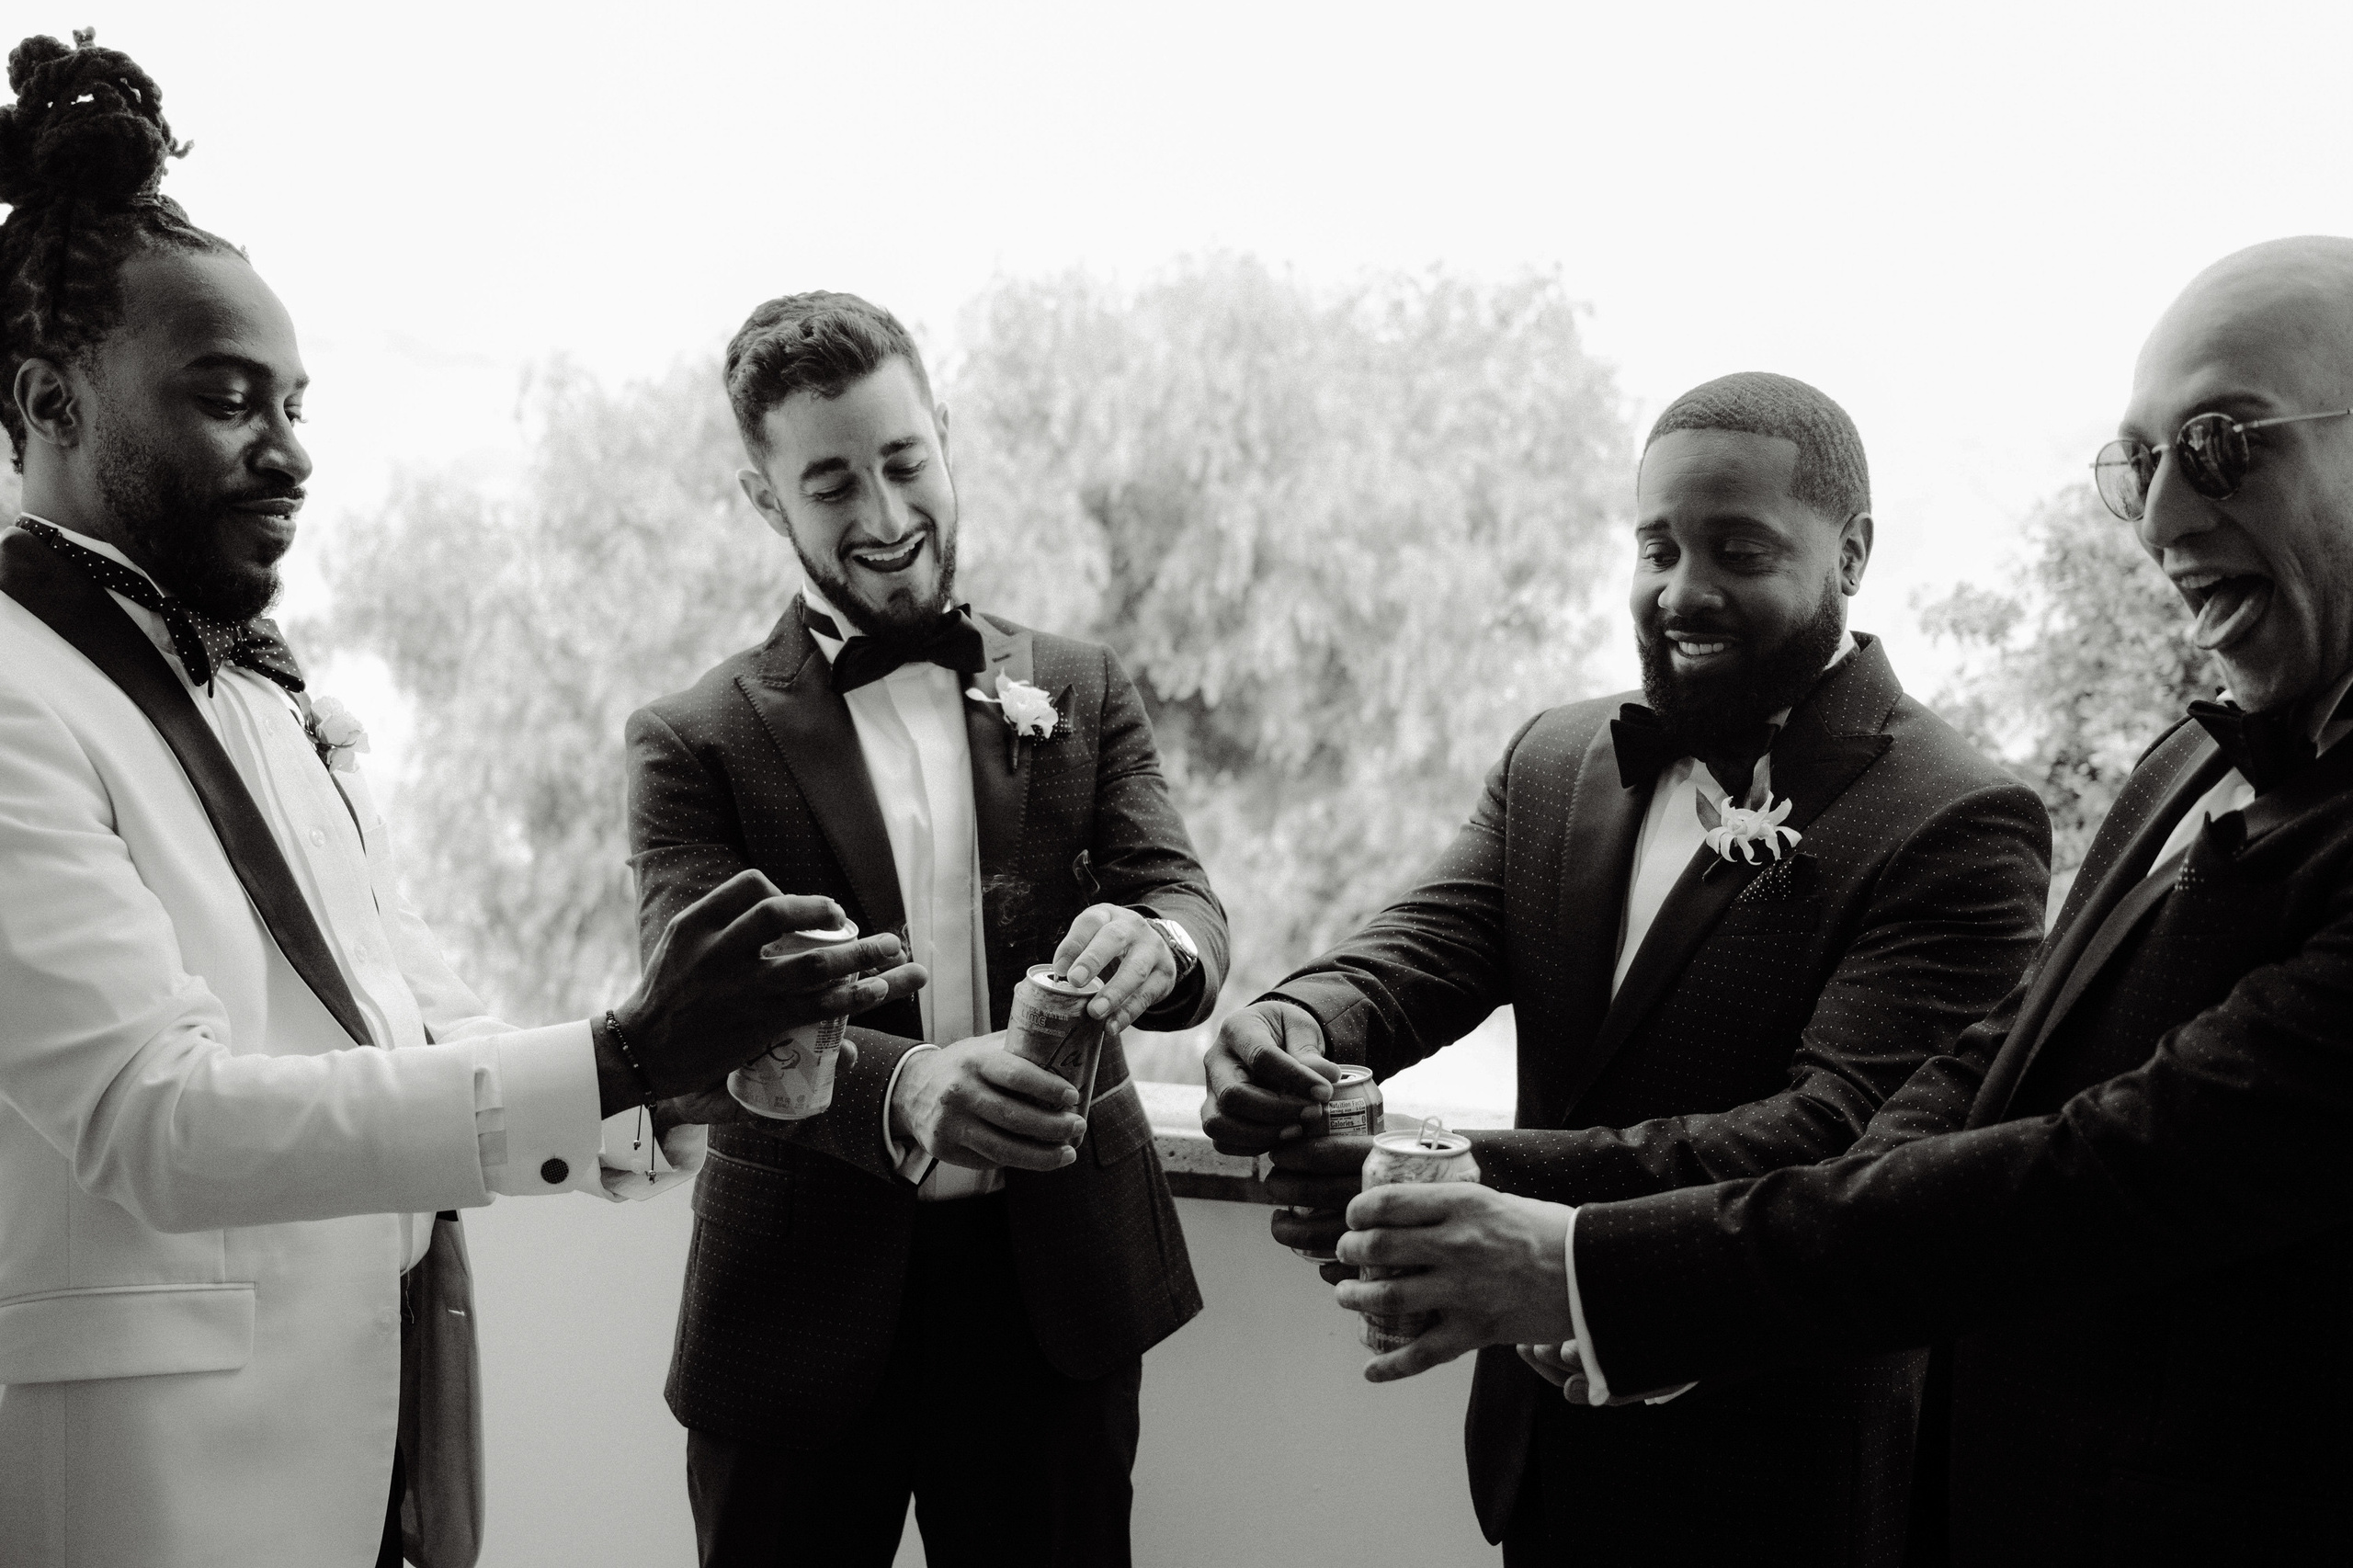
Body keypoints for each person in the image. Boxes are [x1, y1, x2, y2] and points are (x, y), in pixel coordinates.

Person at [0, 33, 924, 1568]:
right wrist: (626, 1047)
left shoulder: (269, 692)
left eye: (295, 401)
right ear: (47, 401)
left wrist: (675, 1075)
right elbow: (152, 1120)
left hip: (381, 1454)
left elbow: (406, 1035)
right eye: (230, 399)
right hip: (159, 1490)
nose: (291, 451)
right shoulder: (15, 696)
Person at [1337, 236, 2353, 1565]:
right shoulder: (2197, 752)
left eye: (2220, 444)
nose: (2161, 520)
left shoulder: (1960, 809)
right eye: (2140, 463)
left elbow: (2097, 1173)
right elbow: (1995, 1064)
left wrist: (1595, 1271)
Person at [1202, 371, 2051, 1565]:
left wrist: (1430, 1173)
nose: (1683, 589)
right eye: (1658, 545)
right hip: (1542, 1452)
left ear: (1852, 552)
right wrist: (1295, 1023)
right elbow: (1419, 955)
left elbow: (1837, 1139)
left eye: (1738, 550)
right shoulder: (1556, 757)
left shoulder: (1957, 819)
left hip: (1772, 1471)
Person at [625, 290, 1228, 1567]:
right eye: (833, 483)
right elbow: (705, 1028)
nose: (888, 518)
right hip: (796, 1305)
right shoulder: (692, 742)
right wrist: (904, 1091)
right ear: (765, 500)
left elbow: (1184, 900)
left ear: (944, 437)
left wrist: (1159, 945)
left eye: (905, 463)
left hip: (1054, 1294)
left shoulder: (1079, 684)